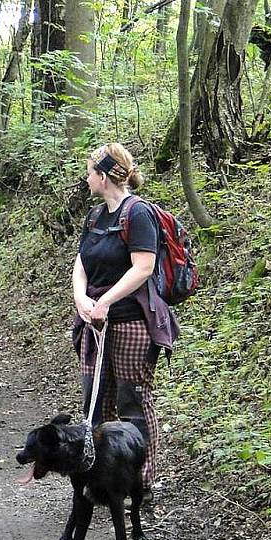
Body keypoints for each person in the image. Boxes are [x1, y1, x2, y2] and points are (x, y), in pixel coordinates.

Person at [72, 142, 174, 497]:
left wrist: (107, 301)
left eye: (89, 172)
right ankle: (101, 480)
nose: (86, 179)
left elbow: (143, 267)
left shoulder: (139, 214)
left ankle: (141, 481)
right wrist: (83, 298)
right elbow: (81, 263)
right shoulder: (95, 217)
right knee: (95, 402)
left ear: (103, 176)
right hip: (94, 324)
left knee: (133, 402)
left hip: (131, 322)